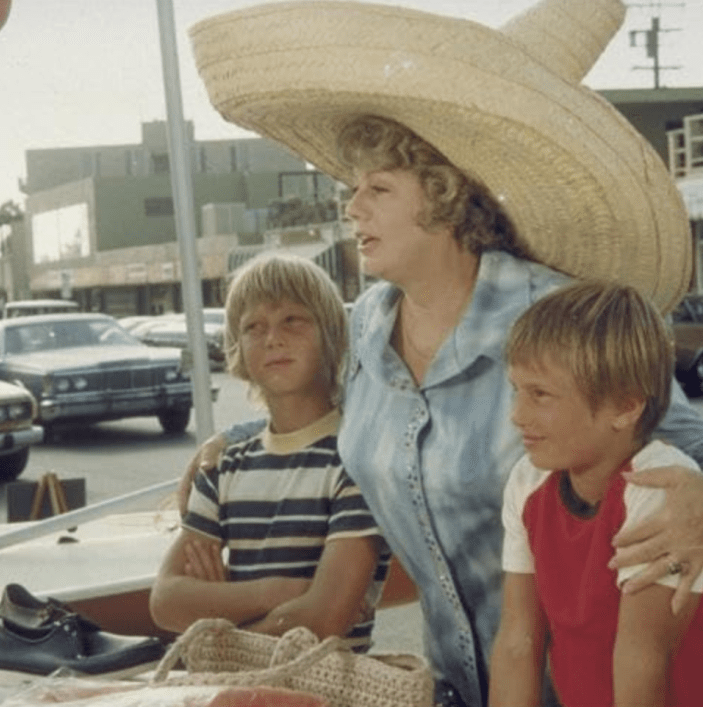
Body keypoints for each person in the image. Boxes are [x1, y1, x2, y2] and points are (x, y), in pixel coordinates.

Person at [186, 1, 703, 704]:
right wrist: (227, 444)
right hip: (453, 686)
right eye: (350, 190)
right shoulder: (364, 328)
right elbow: (327, 426)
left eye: (376, 189)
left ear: (446, 194)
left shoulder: (556, 318)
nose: (351, 208)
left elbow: (675, 445)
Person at [150, 253, 390, 651]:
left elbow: (326, 618)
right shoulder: (223, 464)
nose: (272, 338)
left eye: (293, 320)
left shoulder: (355, 459)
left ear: (330, 333)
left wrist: (221, 631)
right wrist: (277, 591)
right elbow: (166, 601)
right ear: (237, 348)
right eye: (253, 327)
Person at [489, 282, 703, 707]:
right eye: (517, 389)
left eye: (541, 394)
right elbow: (519, 639)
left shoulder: (662, 490)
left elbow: (643, 657)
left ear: (625, 407)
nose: (517, 415)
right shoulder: (529, 481)